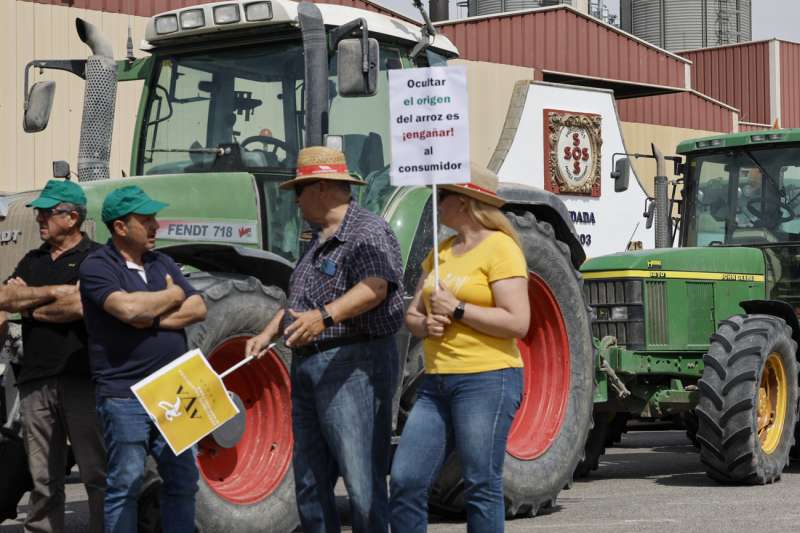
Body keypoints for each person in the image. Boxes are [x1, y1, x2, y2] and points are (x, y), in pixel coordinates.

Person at [245, 146, 404, 533]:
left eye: (298, 191)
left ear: (319, 188)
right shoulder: (317, 239)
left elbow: (375, 287)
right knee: (310, 482)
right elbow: (301, 301)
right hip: (312, 365)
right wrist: (268, 332)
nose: (296, 201)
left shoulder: (367, 231)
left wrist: (325, 317)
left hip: (353, 364)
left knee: (362, 482)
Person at [389, 165, 530, 533]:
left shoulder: (501, 248)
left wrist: (459, 309)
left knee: (480, 484)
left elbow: (518, 322)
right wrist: (426, 324)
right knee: (405, 480)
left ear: (465, 203)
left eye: (443, 196)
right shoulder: (442, 252)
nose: (436, 203)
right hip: (436, 383)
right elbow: (413, 316)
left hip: (487, 379)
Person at [78, 185, 207, 533]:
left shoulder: (161, 262)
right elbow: (127, 307)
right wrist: (173, 295)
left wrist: (153, 314)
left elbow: (197, 307)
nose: (155, 225)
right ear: (120, 227)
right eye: (146, 219)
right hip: (125, 393)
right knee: (126, 483)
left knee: (183, 479)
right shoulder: (96, 266)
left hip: (176, 388)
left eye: (154, 218)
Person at [0, 179, 106, 533]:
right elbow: (4, 300)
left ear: (72, 217)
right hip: (36, 382)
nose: (39, 219)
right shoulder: (33, 260)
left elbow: (80, 304)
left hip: (83, 379)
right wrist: (51, 296)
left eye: (47, 212)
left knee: (95, 472)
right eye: (40, 212)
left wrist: (28, 302)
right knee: (43, 478)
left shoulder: (97, 258)